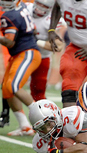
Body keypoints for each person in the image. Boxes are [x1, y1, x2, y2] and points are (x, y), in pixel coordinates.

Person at [0, 0, 42, 136]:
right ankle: (25, 126)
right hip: (21, 53)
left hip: (27, 53)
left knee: (13, 86)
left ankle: (45, 119)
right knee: (6, 88)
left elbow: (10, 42)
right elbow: (34, 30)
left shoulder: (9, 16)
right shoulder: (22, 8)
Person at [27, 0, 66, 101]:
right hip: (23, 53)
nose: (39, 8)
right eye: (39, 4)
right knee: (11, 85)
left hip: (42, 57)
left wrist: (35, 42)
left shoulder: (50, 20)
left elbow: (58, 46)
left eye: (44, 6)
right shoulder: (26, 9)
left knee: (39, 90)